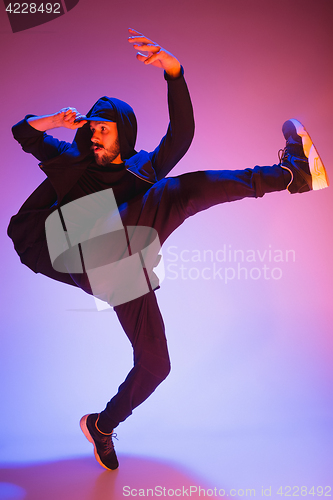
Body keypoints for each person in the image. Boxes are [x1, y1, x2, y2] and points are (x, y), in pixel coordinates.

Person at [8, 29, 329, 471]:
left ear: (124, 135)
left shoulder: (142, 168)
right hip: (65, 243)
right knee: (173, 193)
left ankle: (102, 425)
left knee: (156, 363)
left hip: (119, 264)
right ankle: (290, 174)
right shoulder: (73, 163)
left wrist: (174, 74)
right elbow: (22, 131)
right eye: (92, 129)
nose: (96, 136)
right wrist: (54, 122)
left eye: (105, 129)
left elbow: (180, 136)